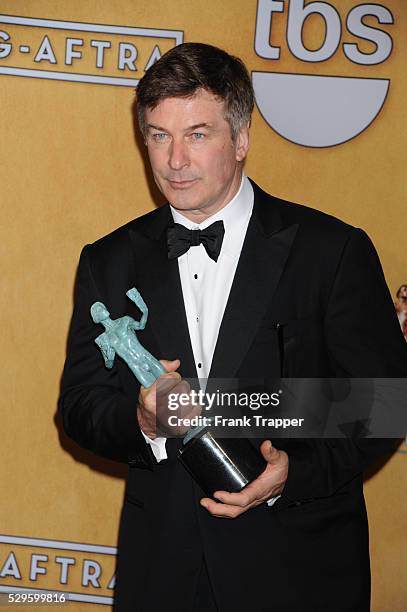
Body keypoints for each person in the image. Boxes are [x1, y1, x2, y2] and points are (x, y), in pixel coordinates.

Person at [58, 43, 407, 612]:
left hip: (299, 571)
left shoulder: (333, 251)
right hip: (164, 573)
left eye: (197, 134)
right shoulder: (109, 260)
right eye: (158, 135)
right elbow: (79, 406)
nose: (174, 160)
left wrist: (292, 472)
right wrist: (144, 422)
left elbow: (383, 403)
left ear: (241, 139)